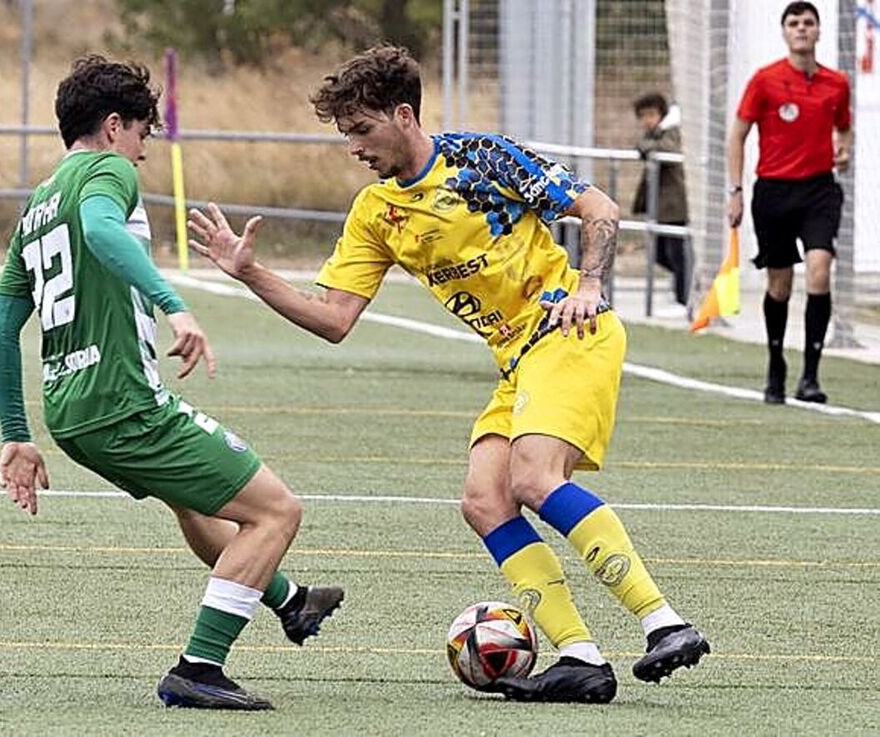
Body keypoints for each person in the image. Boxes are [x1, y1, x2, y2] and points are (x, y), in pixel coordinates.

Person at [187, 45, 709, 704]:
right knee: (485, 500)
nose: (352, 147)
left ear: (403, 114)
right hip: (518, 361)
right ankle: (579, 655)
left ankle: (664, 620)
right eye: (345, 133)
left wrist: (592, 283)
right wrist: (250, 272)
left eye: (361, 129)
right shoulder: (377, 212)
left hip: (570, 330)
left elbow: (598, 208)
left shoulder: (480, 159)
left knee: (533, 477)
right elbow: (333, 318)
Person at [0, 55, 343, 711]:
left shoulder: (36, 206)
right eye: (145, 132)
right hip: (120, 402)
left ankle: (290, 601)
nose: (146, 151)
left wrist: (17, 435)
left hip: (70, 415)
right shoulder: (108, 169)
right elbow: (98, 231)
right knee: (277, 509)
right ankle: (199, 667)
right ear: (114, 125)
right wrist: (171, 302)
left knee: (199, 505)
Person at [727, 1, 852, 404]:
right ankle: (776, 363)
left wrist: (843, 150)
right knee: (780, 284)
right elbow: (738, 136)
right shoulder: (765, 81)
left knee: (820, 269)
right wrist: (736, 190)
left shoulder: (836, 83)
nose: (801, 29)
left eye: (808, 23)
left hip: (819, 189)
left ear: (818, 31)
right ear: (785, 32)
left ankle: (811, 376)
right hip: (774, 191)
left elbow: (844, 128)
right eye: (794, 23)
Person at [631, 92, 691, 320]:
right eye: (643, 116)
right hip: (660, 206)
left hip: (675, 204)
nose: (647, 120)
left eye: (651, 114)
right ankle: (680, 285)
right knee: (658, 253)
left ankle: (684, 297)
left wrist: (649, 146)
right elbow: (642, 146)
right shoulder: (653, 135)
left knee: (677, 254)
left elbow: (665, 150)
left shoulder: (671, 132)